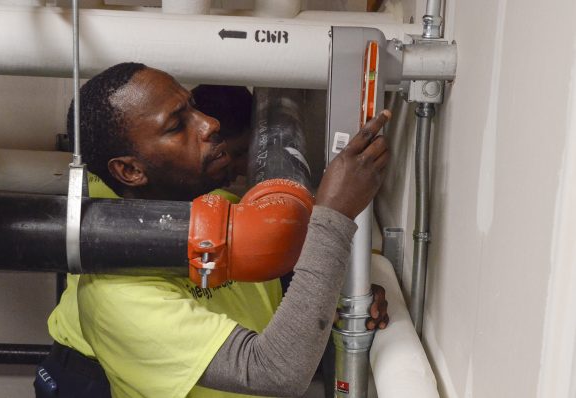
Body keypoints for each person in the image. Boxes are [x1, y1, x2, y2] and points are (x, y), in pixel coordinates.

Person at [37, 62, 390, 398]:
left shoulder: (223, 206)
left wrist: (344, 300)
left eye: (193, 107)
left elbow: (285, 289)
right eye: (178, 125)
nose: (209, 123)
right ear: (130, 171)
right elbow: (275, 371)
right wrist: (334, 215)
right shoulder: (115, 299)